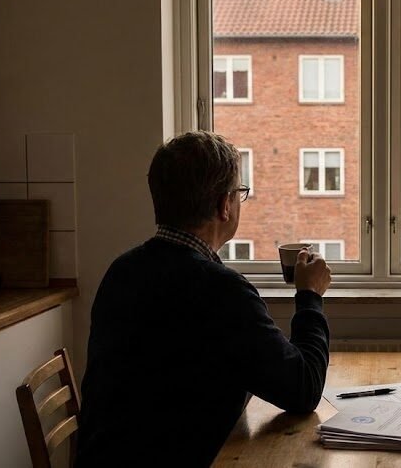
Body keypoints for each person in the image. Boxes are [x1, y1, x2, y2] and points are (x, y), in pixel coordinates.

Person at [75, 131, 332, 467]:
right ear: (224, 205)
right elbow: (304, 390)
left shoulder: (121, 271)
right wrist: (309, 295)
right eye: (239, 193)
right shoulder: (221, 290)